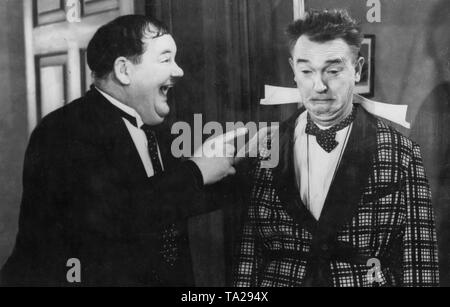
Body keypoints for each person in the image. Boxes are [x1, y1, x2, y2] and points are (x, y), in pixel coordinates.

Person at [1, 15, 240, 286]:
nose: (179, 71)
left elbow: (169, 201)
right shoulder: (63, 130)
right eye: (165, 59)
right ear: (124, 70)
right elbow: (112, 216)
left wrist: (236, 167)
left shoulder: (155, 127)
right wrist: (196, 170)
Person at [233, 9, 439, 287]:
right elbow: (250, 255)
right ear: (293, 70)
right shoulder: (264, 147)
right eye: (307, 71)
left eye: (332, 70)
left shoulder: (402, 153)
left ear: (357, 69)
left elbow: (420, 264)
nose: (319, 85)